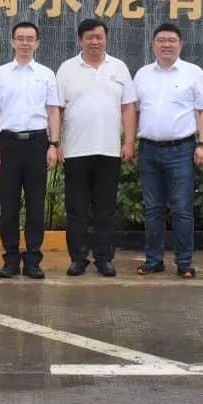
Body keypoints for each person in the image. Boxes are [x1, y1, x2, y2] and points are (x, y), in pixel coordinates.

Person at [56, 18, 137, 277]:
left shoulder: (119, 67)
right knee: (76, 209)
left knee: (105, 208)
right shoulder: (67, 69)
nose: (94, 41)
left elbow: (128, 108)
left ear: (106, 39)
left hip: (109, 150)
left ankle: (104, 258)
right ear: (80, 40)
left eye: (99, 37)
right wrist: (55, 142)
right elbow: (57, 109)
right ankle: (78, 258)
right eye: (89, 37)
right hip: (75, 150)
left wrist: (128, 142)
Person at [132, 23, 203, 279]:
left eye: (171, 40)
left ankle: (184, 262)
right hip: (148, 150)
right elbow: (134, 111)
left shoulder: (193, 73)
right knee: (152, 208)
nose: (166, 44)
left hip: (181, 150)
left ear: (180, 44)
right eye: (161, 40)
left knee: (182, 208)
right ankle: (153, 260)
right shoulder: (142, 74)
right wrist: (130, 143)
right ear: (153, 44)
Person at [0, 22, 61, 279]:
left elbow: (53, 111)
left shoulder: (46, 74)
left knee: (35, 205)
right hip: (8, 143)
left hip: (37, 143)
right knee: (8, 205)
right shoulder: (0, 74)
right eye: (20, 38)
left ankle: (33, 259)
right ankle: (10, 258)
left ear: (37, 43)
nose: (25, 43)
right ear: (12, 42)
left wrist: (53, 144)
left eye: (30, 39)